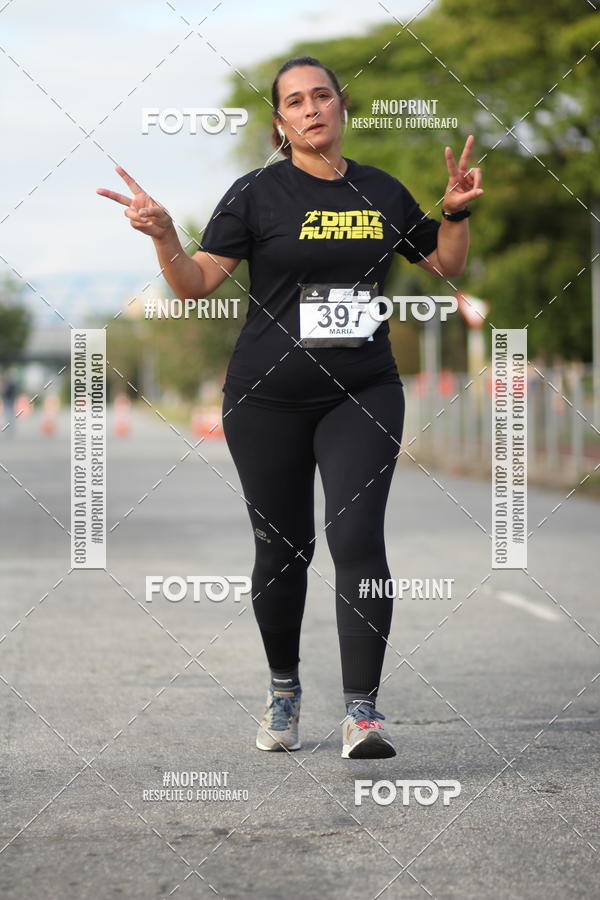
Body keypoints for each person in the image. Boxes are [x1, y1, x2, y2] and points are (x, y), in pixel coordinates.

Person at [97, 55, 483, 759]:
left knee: (358, 538)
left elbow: (446, 265)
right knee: (283, 551)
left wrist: (455, 210)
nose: (311, 109)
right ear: (280, 123)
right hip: (265, 399)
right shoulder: (255, 195)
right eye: (295, 102)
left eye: (322, 96)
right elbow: (194, 286)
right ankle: (284, 688)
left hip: (362, 391)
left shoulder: (382, 192)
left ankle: (363, 712)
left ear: (341, 107)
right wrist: (162, 235)